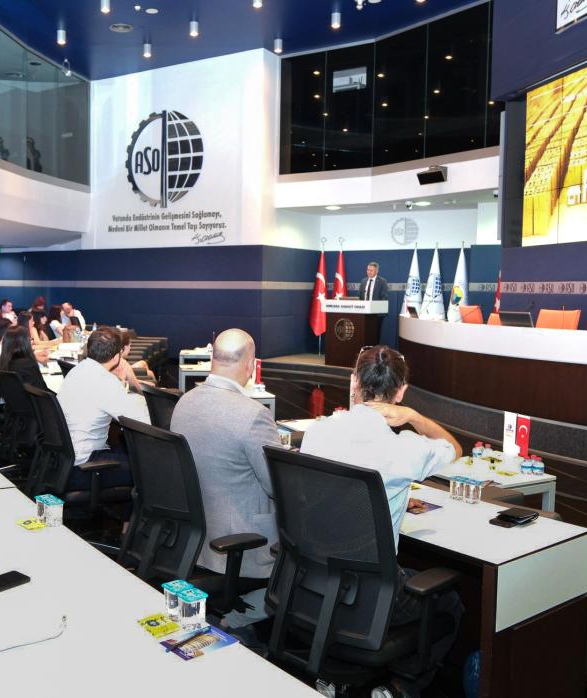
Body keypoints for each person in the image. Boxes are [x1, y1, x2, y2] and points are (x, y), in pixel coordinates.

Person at [300, 345, 462, 698]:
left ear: (353, 381)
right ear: (400, 392)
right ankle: (399, 688)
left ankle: (337, 675)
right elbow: (454, 448)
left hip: (316, 580)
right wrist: (414, 416)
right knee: (450, 603)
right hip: (373, 595)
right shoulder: (406, 448)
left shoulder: (317, 433)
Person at [170, 329, 279, 581]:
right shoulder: (254, 414)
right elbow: (277, 486)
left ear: (213, 360)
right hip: (242, 546)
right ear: (250, 365)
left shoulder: (184, 402)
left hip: (194, 539)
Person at [56, 328, 150, 489]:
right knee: (150, 467)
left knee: (122, 447)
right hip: (84, 468)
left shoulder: (76, 371)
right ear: (117, 357)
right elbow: (143, 419)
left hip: (63, 462)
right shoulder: (105, 381)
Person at [0, 325, 48, 390]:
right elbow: (42, 390)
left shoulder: (2, 363)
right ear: (25, 342)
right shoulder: (27, 364)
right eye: (30, 339)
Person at [357, 262, 389, 339]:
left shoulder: (382, 281)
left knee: (375, 335)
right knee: (364, 334)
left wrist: (374, 307)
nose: (369, 272)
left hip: (376, 314)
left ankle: (374, 347)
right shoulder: (363, 281)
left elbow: (384, 297)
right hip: (364, 313)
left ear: (376, 271)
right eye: (368, 270)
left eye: (371, 270)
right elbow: (359, 296)